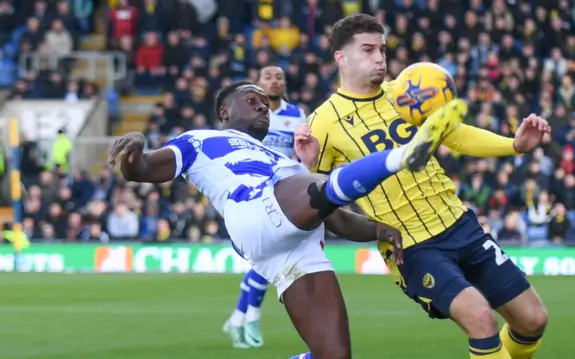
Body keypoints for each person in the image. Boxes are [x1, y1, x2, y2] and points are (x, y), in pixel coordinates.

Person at [108, 81, 464, 359]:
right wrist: (137, 144)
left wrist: (377, 229)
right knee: (316, 187)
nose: (263, 106)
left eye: (266, 104)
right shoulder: (200, 140)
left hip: (294, 246)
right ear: (225, 111)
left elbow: (335, 219)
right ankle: (402, 156)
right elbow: (140, 169)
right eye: (252, 101)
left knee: (334, 355)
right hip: (253, 212)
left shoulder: (282, 161)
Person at [294, 14, 550, 359]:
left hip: (460, 225)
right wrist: (306, 166)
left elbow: (454, 134)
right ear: (341, 57)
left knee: (533, 320)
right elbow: (313, 195)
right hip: (411, 246)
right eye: (368, 50)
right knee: (480, 319)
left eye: (382, 50)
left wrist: (514, 145)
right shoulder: (323, 122)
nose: (380, 58)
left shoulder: (405, 94)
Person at [223, 64, 309, 348]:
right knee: (265, 253)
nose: (274, 82)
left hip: (284, 191)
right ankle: (243, 316)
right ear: (257, 83)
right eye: (268, 77)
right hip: (251, 190)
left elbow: (302, 152)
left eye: (279, 77)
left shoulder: (297, 115)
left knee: (266, 252)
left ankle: (244, 316)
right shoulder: (246, 114)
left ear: (285, 83)